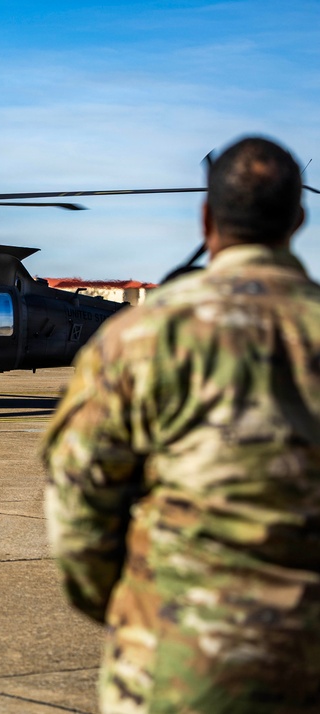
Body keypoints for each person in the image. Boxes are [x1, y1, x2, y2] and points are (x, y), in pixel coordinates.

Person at [41, 136, 320, 713]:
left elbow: (78, 506)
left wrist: (138, 611)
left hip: (176, 673)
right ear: (299, 217)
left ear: (207, 217)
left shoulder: (145, 336)